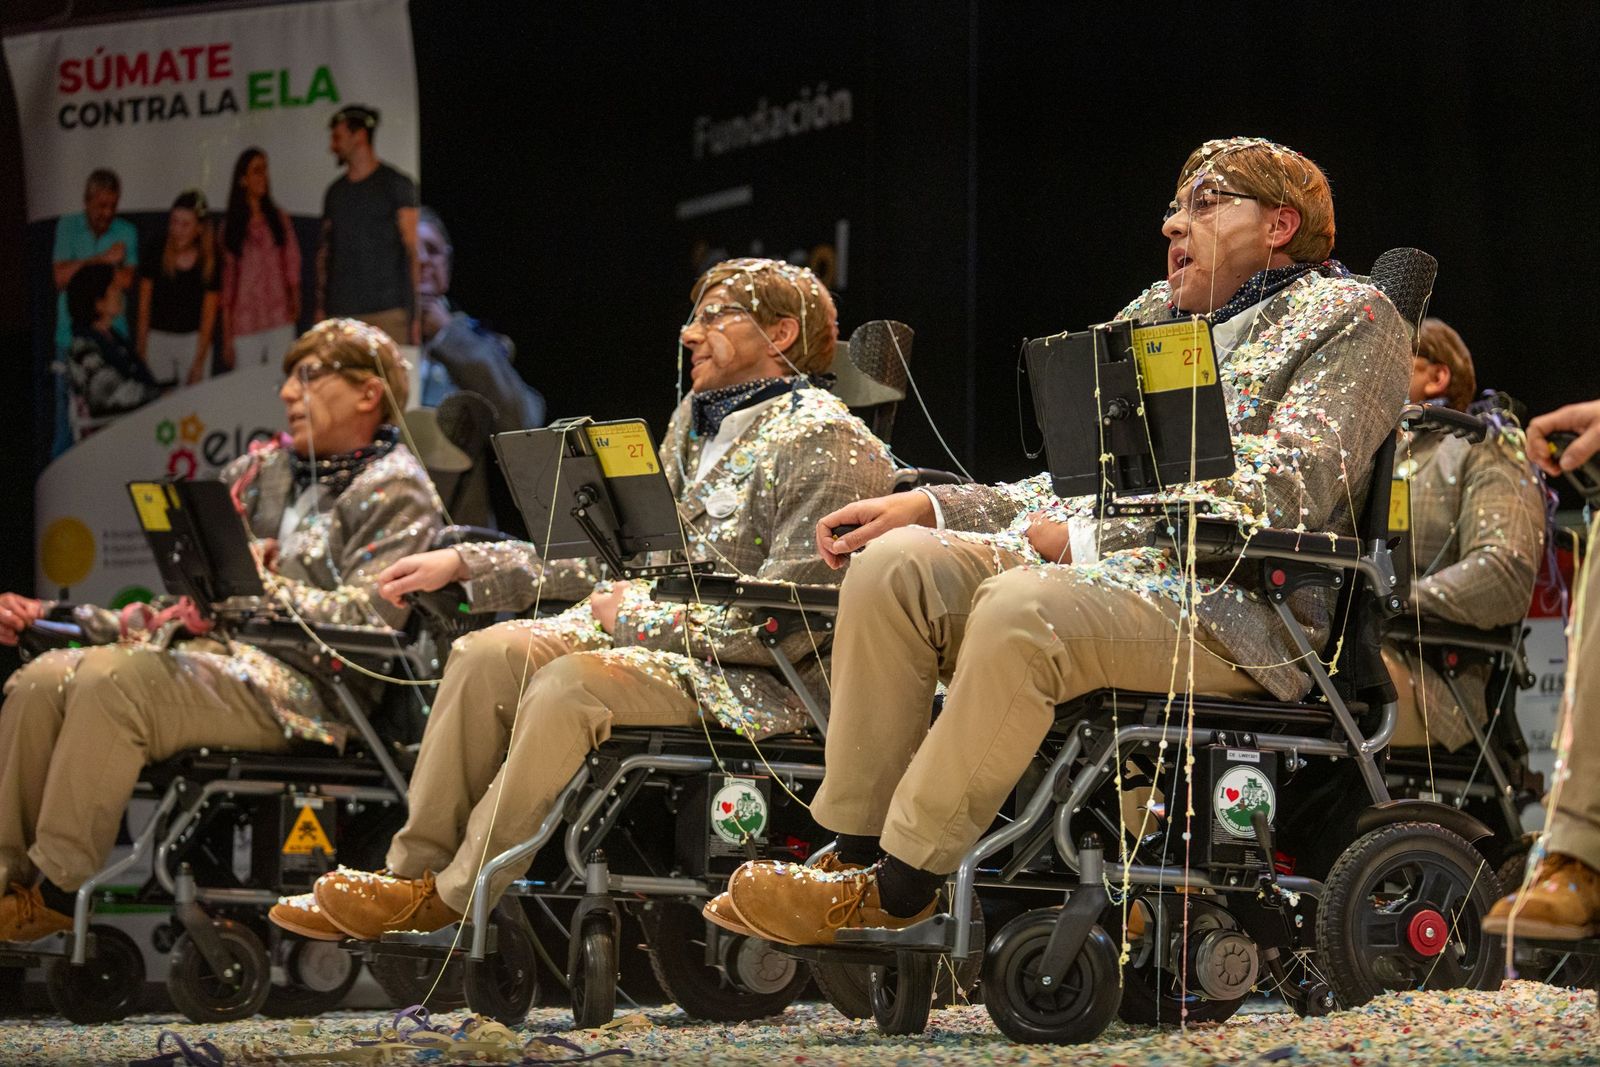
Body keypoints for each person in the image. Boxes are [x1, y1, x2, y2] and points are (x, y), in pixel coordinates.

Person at [703, 137, 1414, 945]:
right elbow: (1072, 481)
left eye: (1205, 204)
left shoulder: (1351, 317)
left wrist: (1088, 536)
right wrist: (932, 508)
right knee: (894, 567)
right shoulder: (1154, 316)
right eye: (1174, 208)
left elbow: (1286, 490)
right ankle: (853, 854)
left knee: (1023, 605)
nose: (1173, 225)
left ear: (1280, 225)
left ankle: (901, 885)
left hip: (1240, 606)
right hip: (1112, 581)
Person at [267, 259, 896, 941]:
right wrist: (469, 562)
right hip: (660, 643)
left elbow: (792, 618)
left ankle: (453, 895)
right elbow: (612, 555)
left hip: (759, 681)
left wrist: (637, 617)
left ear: (781, 332)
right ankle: (408, 873)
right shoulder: (694, 425)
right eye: (693, 317)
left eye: (716, 315)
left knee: (568, 685)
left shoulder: (828, 438)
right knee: (484, 653)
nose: (690, 333)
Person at [0, 320, 441, 943]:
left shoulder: (398, 488)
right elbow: (191, 604)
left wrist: (266, 587)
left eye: (308, 376)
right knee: (41, 679)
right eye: (288, 378)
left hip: (314, 692)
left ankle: (55, 891)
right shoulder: (261, 472)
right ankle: (7, 880)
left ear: (369, 393)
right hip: (213, 661)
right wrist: (61, 617)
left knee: (112, 682)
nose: (286, 393)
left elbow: (372, 618)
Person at [1383, 318, 1545, 751]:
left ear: (1437, 376)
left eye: (1394, 357)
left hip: (1436, 684)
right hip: (1359, 651)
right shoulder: (1369, 454)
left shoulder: (1486, 444)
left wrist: (1389, 600)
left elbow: (1504, 573)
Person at [1484, 395, 1600, 938]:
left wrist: (1404, 596)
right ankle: (1578, 847)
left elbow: (1496, 571)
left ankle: (1583, 848)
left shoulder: (1480, 449)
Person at [410, 205, 546, 527]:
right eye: (410, 252)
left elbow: (525, 420)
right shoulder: (367, 339)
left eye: (432, 250)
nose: (423, 260)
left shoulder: (476, 341)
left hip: (458, 527)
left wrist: (446, 335)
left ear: (448, 262)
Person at [50, 169, 138, 452]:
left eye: (113, 205)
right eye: (101, 206)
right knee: (69, 420)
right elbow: (60, 278)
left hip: (112, 337)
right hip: (70, 339)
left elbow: (126, 281)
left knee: (114, 421)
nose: (107, 212)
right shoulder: (68, 227)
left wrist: (83, 268)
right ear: (87, 201)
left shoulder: (126, 232)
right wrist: (104, 259)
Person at [316, 105, 419, 346]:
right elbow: (325, 254)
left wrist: (414, 315)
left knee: (389, 371)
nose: (333, 146)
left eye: (338, 137)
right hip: (341, 314)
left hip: (388, 312)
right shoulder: (335, 192)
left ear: (359, 136)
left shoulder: (396, 184)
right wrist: (320, 308)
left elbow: (414, 251)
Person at [221, 148, 303, 369]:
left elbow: (292, 262)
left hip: (279, 316)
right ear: (243, 179)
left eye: (265, 170)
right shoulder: (231, 226)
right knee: (247, 383)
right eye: (257, 171)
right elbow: (227, 285)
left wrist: (295, 298)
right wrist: (227, 336)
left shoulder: (279, 219)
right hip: (245, 322)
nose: (263, 176)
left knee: (282, 378)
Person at [136, 190, 220, 387]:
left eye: (185, 224)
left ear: (199, 228)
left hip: (192, 340)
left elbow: (209, 315)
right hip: (158, 338)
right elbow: (144, 306)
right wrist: (141, 349)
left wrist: (199, 362)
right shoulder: (156, 248)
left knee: (195, 400)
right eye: (174, 221)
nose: (178, 230)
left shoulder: (210, 259)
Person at [64, 263, 161, 425]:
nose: (121, 293)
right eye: (114, 288)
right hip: (113, 429)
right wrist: (160, 396)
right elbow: (112, 394)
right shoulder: (83, 348)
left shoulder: (113, 338)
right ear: (99, 302)